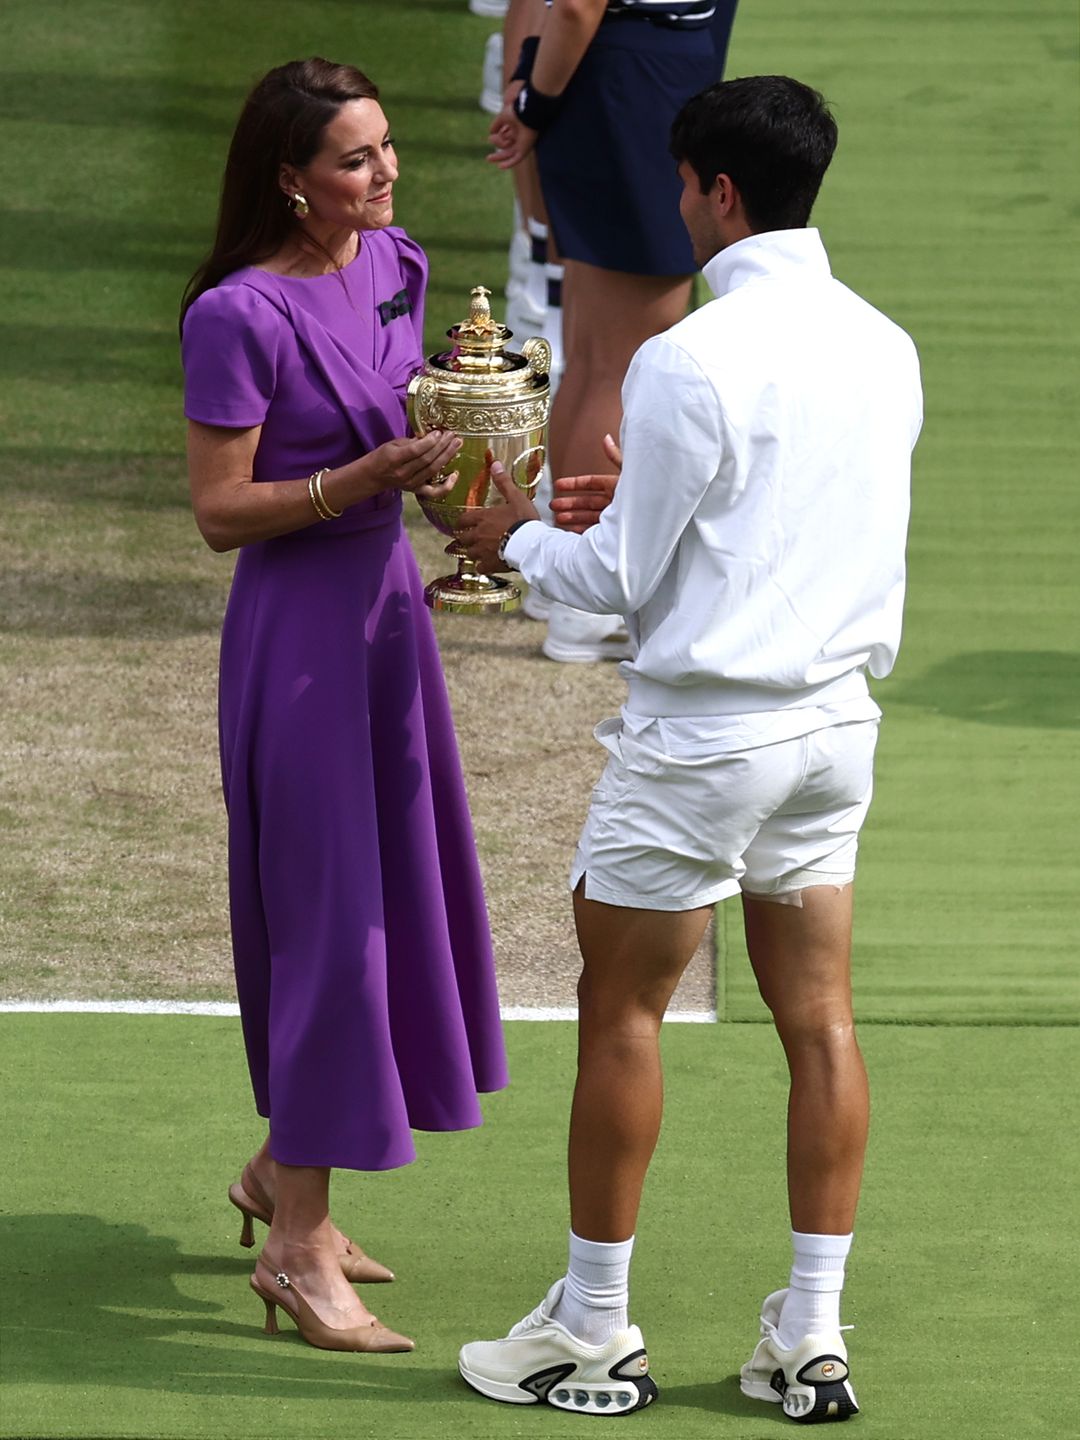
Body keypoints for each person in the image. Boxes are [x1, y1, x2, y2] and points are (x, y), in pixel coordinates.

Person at [455, 74, 922, 1420]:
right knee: (821, 1024)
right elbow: (771, 520)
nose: (676, 206)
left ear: (717, 191)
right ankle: (811, 1341)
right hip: (834, 736)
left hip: (703, 746)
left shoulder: (688, 359)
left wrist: (513, 541)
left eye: (680, 186)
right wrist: (627, 516)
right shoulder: (886, 346)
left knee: (623, 1013)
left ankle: (594, 1331)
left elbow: (610, 585)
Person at [179, 57, 508, 1355]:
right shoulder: (235, 316)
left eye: (385, 152)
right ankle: (298, 1251)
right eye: (354, 162)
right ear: (287, 179)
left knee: (382, 906)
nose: (383, 177)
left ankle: (281, 1175)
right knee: (331, 930)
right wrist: (355, 479)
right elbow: (219, 513)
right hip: (297, 642)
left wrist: (466, 501)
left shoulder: (398, 262)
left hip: (387, 627)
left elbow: (420, 415)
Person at [490, 0, 733, 663]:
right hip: (634, 85)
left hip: (623, 79)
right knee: (619, 358)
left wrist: (528, 89)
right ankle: (580, 605)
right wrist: (532, 107)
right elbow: (571, 4)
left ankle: (562, 584)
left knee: (596, 354)